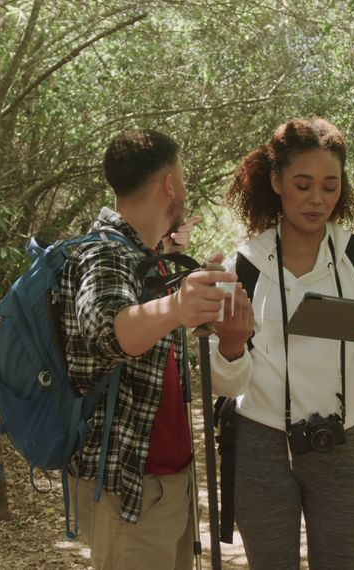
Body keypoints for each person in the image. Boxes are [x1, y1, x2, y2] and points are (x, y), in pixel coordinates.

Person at [210, 117, 354, 569]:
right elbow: (224, 382)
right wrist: (229, 348)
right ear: (276, 181)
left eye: (330, 186)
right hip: (261, 448)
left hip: (346, 443)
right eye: (303, 184)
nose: (317, 199)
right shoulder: (244, 265)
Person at [61, 129, 234, 570]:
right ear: (169, 185)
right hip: (130, 489)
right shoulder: (103, 251)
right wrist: (178, 305)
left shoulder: (143, 255)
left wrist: (171, 257)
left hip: (163, 482)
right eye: (183, 177)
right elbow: (108, 328)